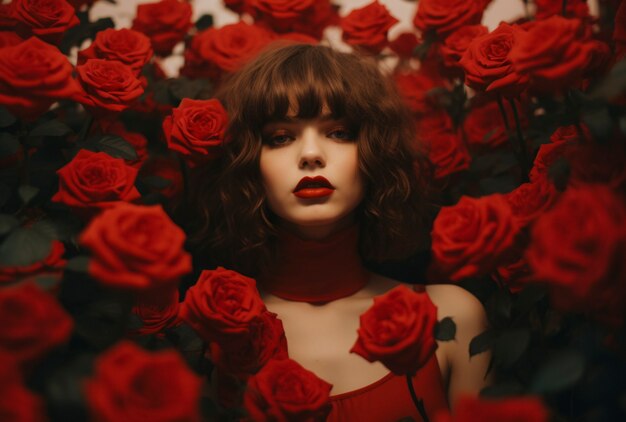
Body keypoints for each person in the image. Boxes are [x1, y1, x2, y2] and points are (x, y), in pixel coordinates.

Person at [190, 42, 491, 421]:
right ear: (247, 163)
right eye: (280, 137)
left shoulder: (452, 317)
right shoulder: (208, 334)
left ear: (375, 153)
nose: (311, 154)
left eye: (339, 132)